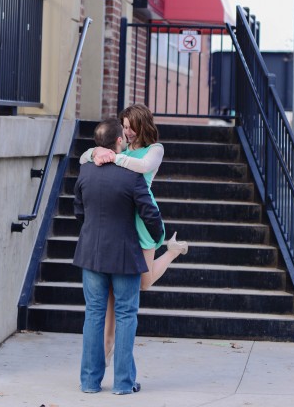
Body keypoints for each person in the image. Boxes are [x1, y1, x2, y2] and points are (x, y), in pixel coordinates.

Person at [80, 104, 189, 360]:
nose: (126, 131)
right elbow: (85, 157)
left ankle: (172, 252)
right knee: (109, 288)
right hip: (120, 216)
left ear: (142, 125)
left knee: (144, 282)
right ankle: (107, 342)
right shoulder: (122, 147)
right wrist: (97, 151)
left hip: (142, 217)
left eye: (130, 127)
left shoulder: (155, 150)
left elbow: (141, 167)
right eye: (124, 127)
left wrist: (111, 156)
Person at [73, 116, 164, 395]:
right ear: (118, 141)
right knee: (126, 315)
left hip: (91, 253)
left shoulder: (85, 171)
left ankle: (89, 381)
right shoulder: (131, 175)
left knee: (94, 315)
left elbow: (79, 209)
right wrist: (158, 237)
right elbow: (150, 213)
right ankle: (123, 383)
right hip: (124, 255)